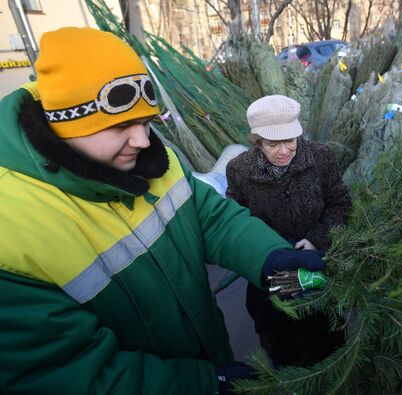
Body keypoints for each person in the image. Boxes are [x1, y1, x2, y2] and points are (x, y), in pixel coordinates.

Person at [0, 27, 326, 395]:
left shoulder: (153, 160)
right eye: (121, 125)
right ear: (65, 121)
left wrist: (270, 259)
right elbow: (61, 374)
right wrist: (205, 384)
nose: (141, 141)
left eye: (146, 123)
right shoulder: (11, 231)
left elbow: (208, 217)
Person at [226, 95, 353, 367]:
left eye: (290, 141)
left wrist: (316, 239)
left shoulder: (321, 157)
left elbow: (341, 204)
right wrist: (273, 252)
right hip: (272, 272)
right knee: (282, 342)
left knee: (327, 340)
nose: (284, 150)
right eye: (273, 144)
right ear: (257, 141)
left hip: (316, 265)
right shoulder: (238, 170)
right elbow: (236, 222)